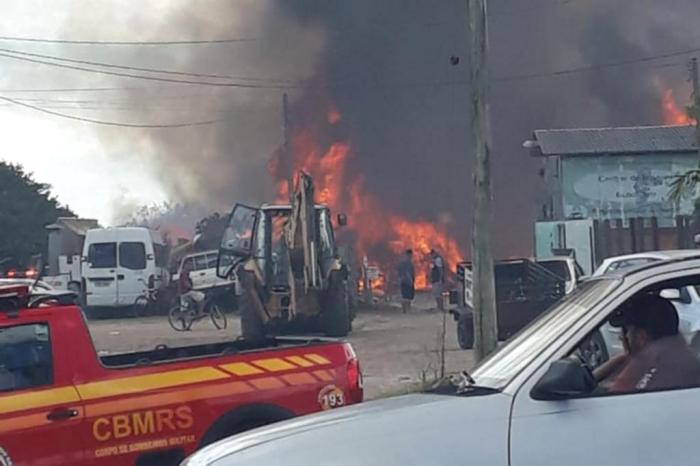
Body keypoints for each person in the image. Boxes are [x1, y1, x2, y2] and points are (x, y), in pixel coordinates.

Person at [593, 293, 700, 393]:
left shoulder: (650, 369)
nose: (622, 337)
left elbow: (615, 398)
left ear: (641, 337)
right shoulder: (675, 354)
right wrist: (626, 355)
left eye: (626, 331)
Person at [397, 249, 415, 314]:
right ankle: (405, 310)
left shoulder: (406, 262)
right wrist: (410, 280)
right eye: (410, 255)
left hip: (405, 281)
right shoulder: (406, 263)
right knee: (406, 296)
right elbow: (406, 272)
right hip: (406, 281)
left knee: (407, 296)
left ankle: (406, 310)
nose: (411, 256)